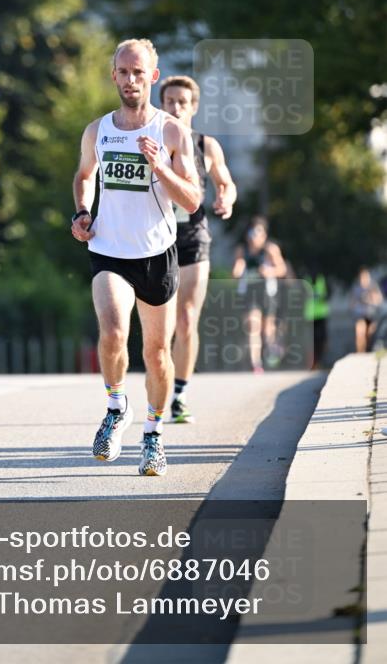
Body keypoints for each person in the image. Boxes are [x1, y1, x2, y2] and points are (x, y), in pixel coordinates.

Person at [71, 38, 201, 476]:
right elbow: (84, 176)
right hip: (108, 250)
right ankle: (114, 407)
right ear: (114, 76)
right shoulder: (97, 130)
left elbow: (193, 199)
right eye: (123, 72)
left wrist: (160, 167)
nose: (130, 80)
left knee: (157, 352)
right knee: (111, 331)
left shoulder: (170, 131)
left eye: (138, 73)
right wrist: (82, 212)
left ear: (153, 77)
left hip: (156, 255)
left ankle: (153, 435)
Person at [159, 75, 237, 423]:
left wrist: (226, 199)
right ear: (162, 104)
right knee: (159, 323)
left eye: (182, 101)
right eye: (170, 100)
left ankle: (179, 393)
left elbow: (225, 181)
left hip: (192, 236)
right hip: (154, 238)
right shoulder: (149, 139)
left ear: (193, 107)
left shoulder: (206, 144)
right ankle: (156, 386)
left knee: (187, 317)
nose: (175, 106)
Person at [232, 217, 287, 374]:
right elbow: (237, 267)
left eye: (258, 232)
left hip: (267, 293)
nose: (255, 236)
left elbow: (282, 269)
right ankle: (256, 363)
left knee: (267, 330)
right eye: (252, 232)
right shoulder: (242, 250)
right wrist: (237, 269)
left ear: (264, 235)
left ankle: (271, 352)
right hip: (249, 292)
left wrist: (270, 271)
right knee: (252, 326)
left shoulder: (270, 249)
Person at [351, 267, 383, 352]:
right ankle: (360, 353)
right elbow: (352, 303)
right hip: (360, 314)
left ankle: (367, 350)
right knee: (360, 333)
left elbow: (379, 300)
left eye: (366, 277)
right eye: (362, 277)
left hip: (371, 315)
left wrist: (371, 299)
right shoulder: (356, 288)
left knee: (370, 334)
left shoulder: (373, 287)